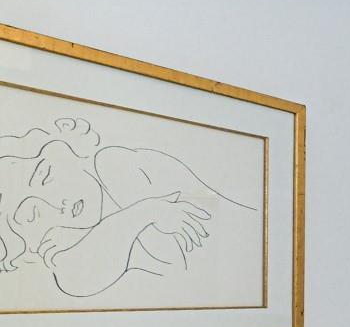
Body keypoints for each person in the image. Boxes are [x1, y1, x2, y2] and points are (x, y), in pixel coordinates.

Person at [0, 117, 256, 301]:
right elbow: (76, 282)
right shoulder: (80, 241)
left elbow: (176, 252)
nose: (56, 203)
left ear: (61, 151)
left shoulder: (113, 164)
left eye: (45, 175)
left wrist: (143, 213)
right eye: (33, 216)